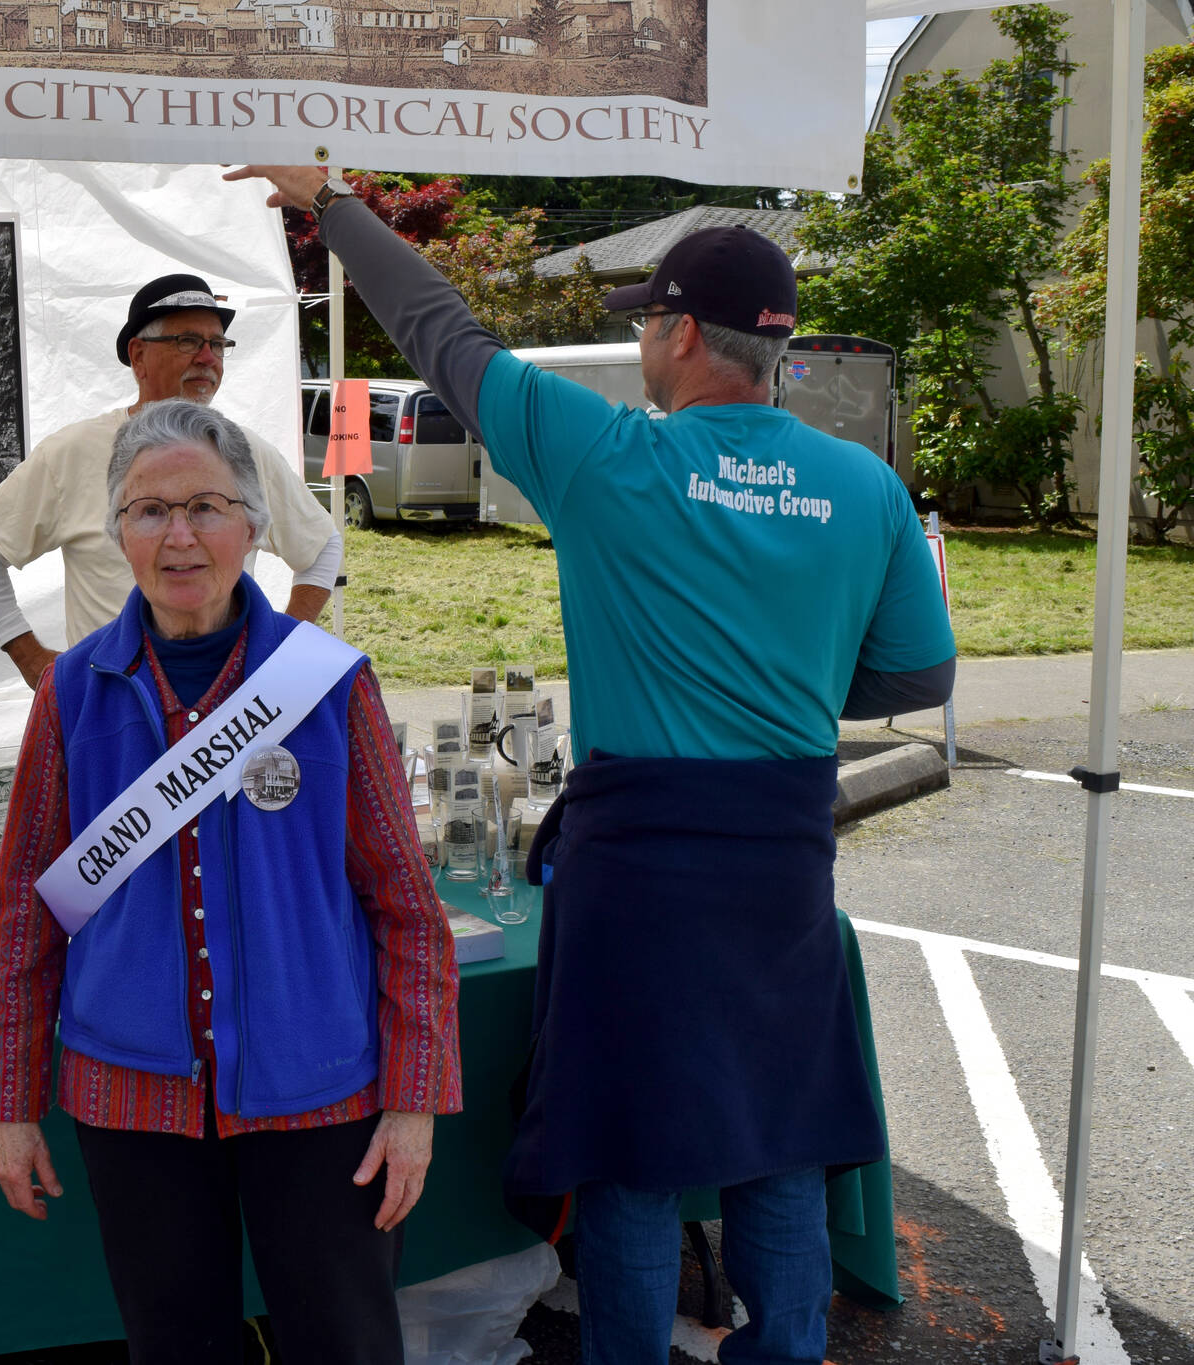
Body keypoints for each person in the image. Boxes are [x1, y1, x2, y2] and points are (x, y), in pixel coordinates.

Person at [226, 167, 956, 1365]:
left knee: (625, 1150)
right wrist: (793, 684)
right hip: (781, 856)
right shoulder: (863, 486)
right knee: (776, 1134)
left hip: (638, 860)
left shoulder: (608, 456)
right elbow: (913, 679)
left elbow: (440, 334)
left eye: (643, 325)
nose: (640, 346)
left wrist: (336, 207)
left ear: (678, 333)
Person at [0, 399, 460, 1365]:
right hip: (132, 1097)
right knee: (175, 1348)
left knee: (344, 1346)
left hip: (320, 1094)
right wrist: (11, 1105)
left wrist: (414, 1104)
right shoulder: (71, 692)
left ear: (254, 527)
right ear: (119, 533)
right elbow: (29, 908)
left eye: (206, 506)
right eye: (150, 511)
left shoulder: (328, 682)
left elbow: (407, 908)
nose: (179, 535)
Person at [0, 272, 343, 688]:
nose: (208, 358)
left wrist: (283, 643)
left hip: (226, 710)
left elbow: (322, 544)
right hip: (108, 703)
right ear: (138, 356)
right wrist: (29, 656)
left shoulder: (246, 452)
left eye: (217, 344)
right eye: (188, 341)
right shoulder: (74, 451)